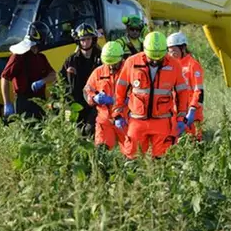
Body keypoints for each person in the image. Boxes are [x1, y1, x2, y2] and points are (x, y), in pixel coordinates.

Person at [113, 31, 191, 159]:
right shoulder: (131, 62)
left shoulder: (174, 65)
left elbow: (182, 93)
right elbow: (120, 89)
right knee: (132, 158)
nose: (155, 61)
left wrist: (181, 117)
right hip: (137, 120)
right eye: (152, 58)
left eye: (158, 58)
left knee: (162, 160)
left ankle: (159, 179)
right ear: (145, 50)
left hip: (162, 120)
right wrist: (117, 114)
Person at [0, 23, 57, 120]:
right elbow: (4, 78)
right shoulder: (18, 57)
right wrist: (7, 103)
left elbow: (53, 75)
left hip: (40, 100)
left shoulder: (41, 57)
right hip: (24, 101)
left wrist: (43, 81)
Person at [83, 40, 131, 153]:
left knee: (132, 154)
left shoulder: (130, 71)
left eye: (114, 63)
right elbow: (87, 90)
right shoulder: (98, 72)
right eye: (108, 63)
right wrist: (94, 98)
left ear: (121, 58)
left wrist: (126, 101)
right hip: (105, 122)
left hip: (125, 120)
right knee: (101, 152)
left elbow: (139, 93)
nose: (111, 66)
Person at [60, 23, 102, 136]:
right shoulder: (71, 60)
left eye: (88, 39)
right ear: (78, 41)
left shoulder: (100, 59)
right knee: (72, 134)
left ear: (93, 39)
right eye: (82, 39)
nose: (85, 42)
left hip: (95, 103)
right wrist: (59, 102)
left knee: (90, 130)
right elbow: (60, 81)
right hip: (73, 104)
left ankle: (94, 153)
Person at [167, 31, 205, 140]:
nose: (171, 54)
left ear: (183, 48)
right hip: (176, 111)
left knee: (195, 142)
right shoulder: (171, 65)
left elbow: (199, 91)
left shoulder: (193, 65)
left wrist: (192, 110)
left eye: (174, 51)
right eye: (169, 52)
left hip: (192, 112)